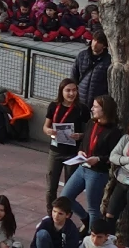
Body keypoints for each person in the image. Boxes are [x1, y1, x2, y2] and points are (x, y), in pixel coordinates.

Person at [59, 94, 122, 231]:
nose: (92, 109)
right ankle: (85, 219)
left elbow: (113, 155)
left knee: (93, 208)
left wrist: (98, 159)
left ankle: (91, 237)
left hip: (97, 172)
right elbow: (84, 142)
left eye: (95, 107)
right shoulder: (91, 123)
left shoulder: (114, 132)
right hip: (83, 167)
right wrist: (81, 151)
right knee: (65, 197)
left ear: (104, 110)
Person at [43, 78, 89, 211]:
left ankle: (65, 213)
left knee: (69, 188)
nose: (71, 93)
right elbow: (45, 127)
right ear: (61, 91)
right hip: (55, 150)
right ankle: (50, 212)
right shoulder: (54, 106)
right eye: (68, 90)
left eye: (74, 90)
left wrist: (79, 135)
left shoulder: (82, 109)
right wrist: (49, 131)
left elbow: (88, 131)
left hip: (72, 153)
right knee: (51, 186)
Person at [72, 32, 111, 108]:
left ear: (104, 46)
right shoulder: (82, 56)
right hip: (80, 100)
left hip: (97, 104)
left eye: (99, 42)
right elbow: (74, 76)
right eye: (94, 40)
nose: (95, 44)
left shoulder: (108, 61)